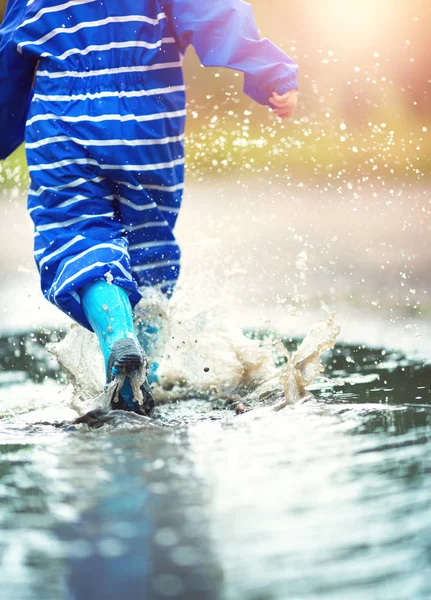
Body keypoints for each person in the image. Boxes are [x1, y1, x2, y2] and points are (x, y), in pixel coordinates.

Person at [0, 0, 298, 416]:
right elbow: (213, 10)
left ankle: (118, 336)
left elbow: (11, 59)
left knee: (75, 233)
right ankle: (145, 377)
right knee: (149, 246)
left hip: (63, 122)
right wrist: (268, 71)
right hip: (148, 123)